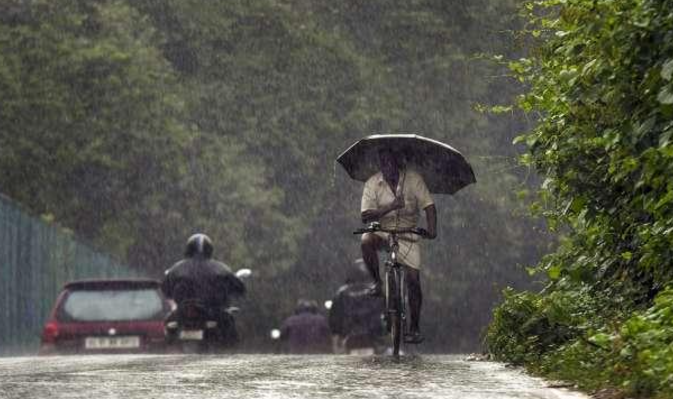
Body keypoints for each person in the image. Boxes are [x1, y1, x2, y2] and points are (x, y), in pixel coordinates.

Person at [360, 148, 437, 344]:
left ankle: (414, 328)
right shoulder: (372, 183)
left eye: (391, 164)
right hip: (383, 231)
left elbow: (429, 206)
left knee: (413, 280)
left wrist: (431, 230)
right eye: (384, 165)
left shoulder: (413, 180)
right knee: (366, 241)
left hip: (407, 234)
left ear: (399, 164)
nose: (388, 169)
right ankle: (377, 282)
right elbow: (365, 216)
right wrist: (391, 206)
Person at [161, 233, 246, 346]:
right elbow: (239, 288)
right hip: (213, 310)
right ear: (209, 249)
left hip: (184, 312)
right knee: (229, 323)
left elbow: (165, 289)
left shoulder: (177, 268)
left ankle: (167, 346)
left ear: (188, 249)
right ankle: (230, 351)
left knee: (168, 322)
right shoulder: (220, 268)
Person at [328, 259, 385, 353]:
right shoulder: (376, 291)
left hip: (349, 338)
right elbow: (384, 314)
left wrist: (336, 341)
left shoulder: (341, 293)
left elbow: (334, 320)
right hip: (373, 338)